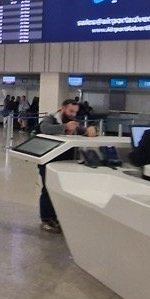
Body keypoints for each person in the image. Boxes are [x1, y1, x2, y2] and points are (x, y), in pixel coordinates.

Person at [36, 99, 98, 234]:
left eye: (75, 112)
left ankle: (58, 216)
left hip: (66, 161)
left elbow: (82, 131)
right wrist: (64, 127)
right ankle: (46, 218)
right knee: (48, 189)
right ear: (63, 108)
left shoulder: (73, 122)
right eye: (71, 111)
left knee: (61, 189)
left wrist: (89, 130)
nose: (73, 114)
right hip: (49, 160)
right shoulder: (50, 118)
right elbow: (45, 128)